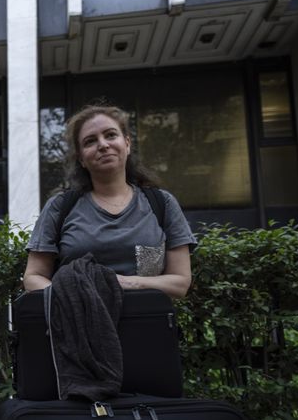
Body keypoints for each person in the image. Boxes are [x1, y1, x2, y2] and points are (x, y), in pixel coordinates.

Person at [23, 104, 197, 298]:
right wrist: (73, 300)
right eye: (90, 141)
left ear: (127, 144)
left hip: (147, 323)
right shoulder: (60, 206)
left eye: (111, 135)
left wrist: (121, 283)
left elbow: (180, 282)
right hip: (76, 325)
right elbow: (33, 277)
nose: (103, 145)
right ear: (81, 159)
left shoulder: (162, 203)